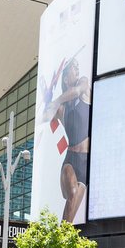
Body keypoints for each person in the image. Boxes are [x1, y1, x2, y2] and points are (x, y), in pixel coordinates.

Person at [41, 58, 90, 225]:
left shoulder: (83, 85)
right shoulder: (62, 108)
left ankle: (61, 237)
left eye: (78, 67)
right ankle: (59, 237)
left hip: (85, 162)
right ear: (65, 78)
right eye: (73, 68)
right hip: (70, 158)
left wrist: (55, 101)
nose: (77, 70)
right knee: (72, 193)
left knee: (70, 216)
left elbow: (76, 91)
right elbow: (45, 117)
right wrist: (47, 102)